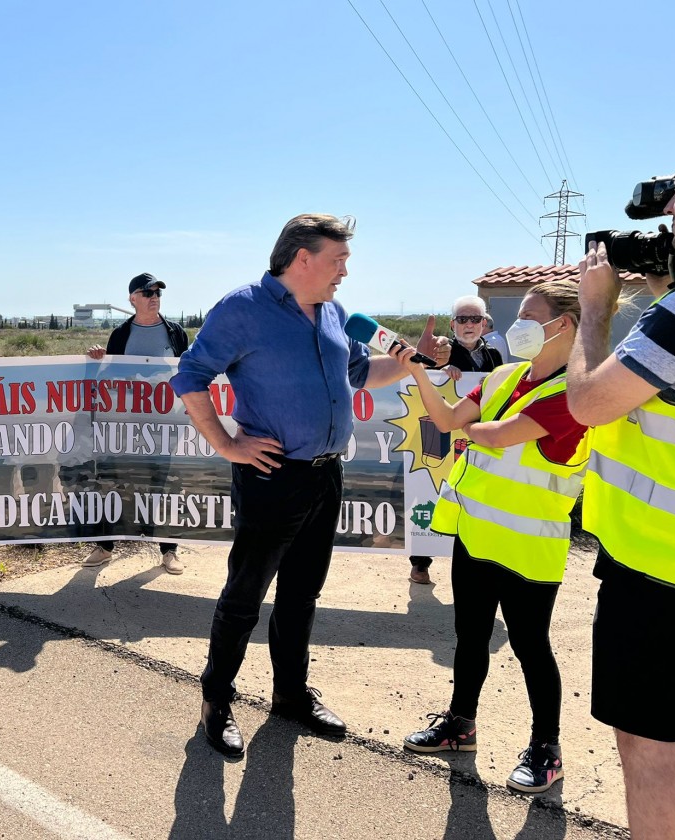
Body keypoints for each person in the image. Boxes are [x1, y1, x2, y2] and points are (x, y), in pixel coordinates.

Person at [170, 213, 440, 757]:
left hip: (325, 475)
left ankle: (290, 695)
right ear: (302, 259)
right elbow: (190, 375)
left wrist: (410, 364)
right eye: (337, 260)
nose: (344, 271)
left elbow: (361, 375)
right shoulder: (242, 308)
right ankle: (216, 701)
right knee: (246, 595)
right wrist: (226, 444)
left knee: (301, 594)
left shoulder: (336, 312)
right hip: (271, 476)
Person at [400, 280, 589, 795]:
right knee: (469, 636)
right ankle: (460, 726)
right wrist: (416, 367)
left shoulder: (574, 394)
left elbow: (496, 434)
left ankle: (546, 749)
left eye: (529, 315)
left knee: (531, 647)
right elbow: (443, 420)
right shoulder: (505, 376)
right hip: (477, 536)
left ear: (563, 325)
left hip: (530, 548)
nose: (515, 326)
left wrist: (468, 425)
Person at [567, 190, 675, 838]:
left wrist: (594, 311)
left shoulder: (672, 323)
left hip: (657, 573)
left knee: (653, 753)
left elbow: (587, 400)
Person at [84, 272, 189, 574]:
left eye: (157, 293)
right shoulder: (120, 334)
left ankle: (169, 551)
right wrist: (97, 360)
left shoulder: (175, 333)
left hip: (163, 425)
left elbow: (187, 373)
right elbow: (108, 379)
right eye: (147, 292)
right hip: (125, 426)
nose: (154, 297)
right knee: (114, 482)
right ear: (133, 299)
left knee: (162, 485)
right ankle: (105, 547)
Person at [409, 295, 505, 585]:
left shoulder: (495, 356)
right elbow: (422, 375)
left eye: (475, 319)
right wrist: (441, 370)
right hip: (440, 431)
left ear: (484, 323)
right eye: (462, 319)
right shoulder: (442, 351)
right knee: (430, 492)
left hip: (476, 431)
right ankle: (420, 563)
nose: (469, 325)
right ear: (452, 324)